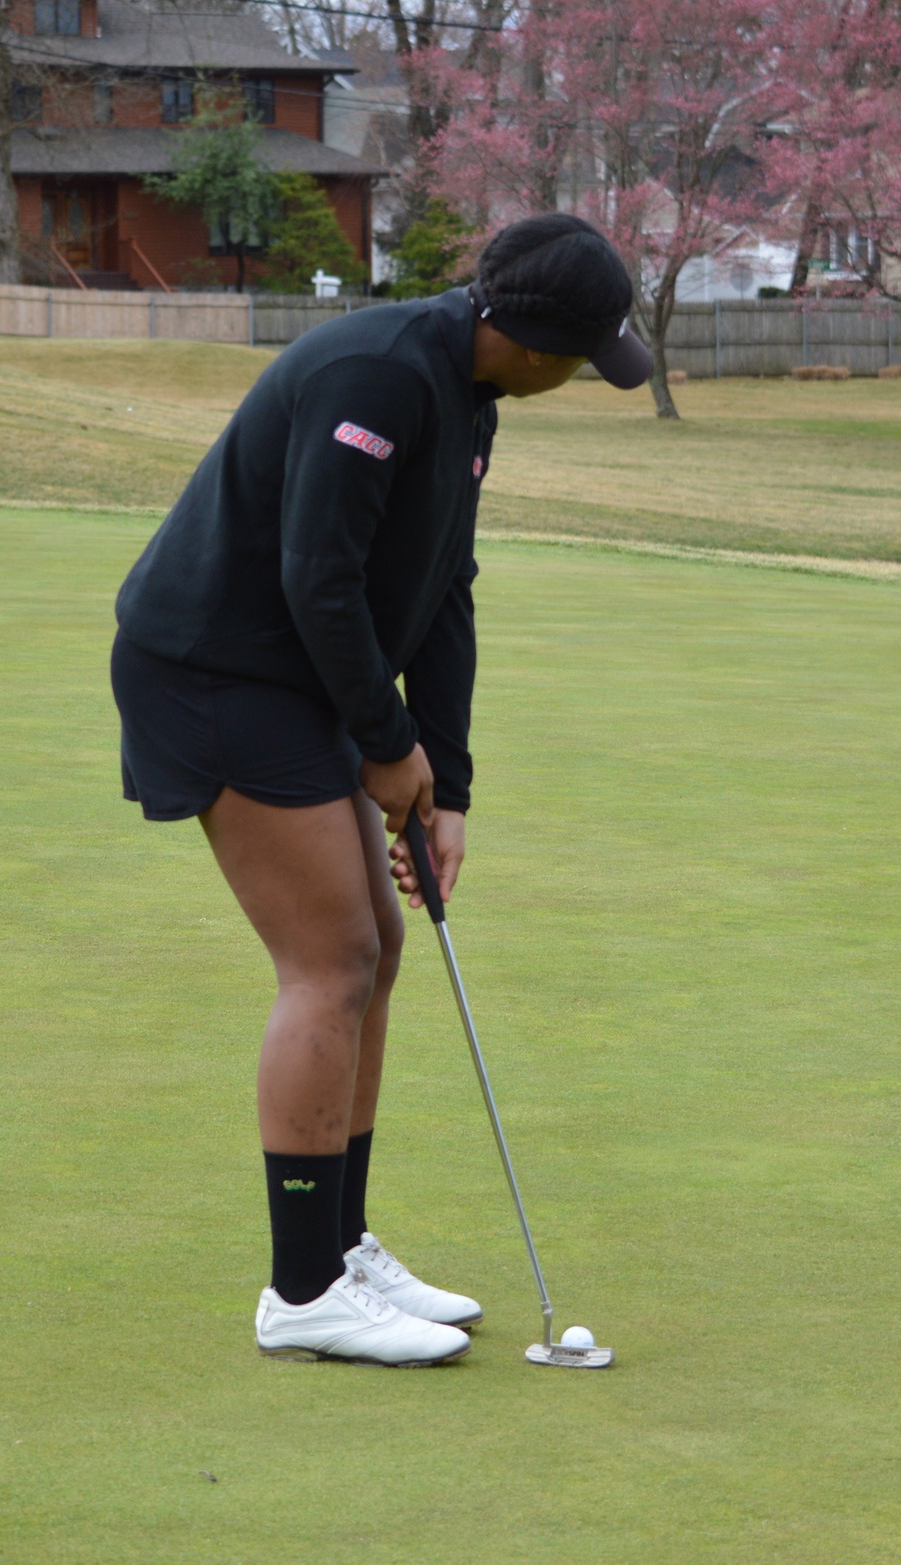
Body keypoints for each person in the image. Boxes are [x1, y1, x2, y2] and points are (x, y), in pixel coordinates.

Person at [111, 214, 653, 1365]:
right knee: (331, 958)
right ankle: (301, 1288)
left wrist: (441, 781)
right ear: (533, 340)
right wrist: (382, 739)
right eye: (580, 357)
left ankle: (340, 1240)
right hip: (216, 669)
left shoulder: (468, 397)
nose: (578, 379)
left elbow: (441, 591)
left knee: (381, 950)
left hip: (293, 676)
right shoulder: (377, 372)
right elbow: (318, 576)